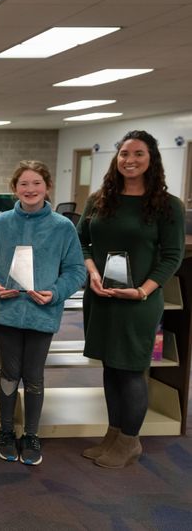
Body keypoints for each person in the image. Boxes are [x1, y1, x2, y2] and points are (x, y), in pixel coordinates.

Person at [77, 130, 185, 468]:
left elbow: (171, 256)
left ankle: (130, 441)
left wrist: (142, 290)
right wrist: (92, 272)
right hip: (102, 296)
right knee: (110, 368)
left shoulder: (169, 206)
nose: (130, 160)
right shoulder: (100, 199)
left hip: (138, 301)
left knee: (132, 370)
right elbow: (81, 241)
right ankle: (113, 434)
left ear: (151, 159)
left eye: (138, 153)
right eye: (124, 153)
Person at [0, 161, 86, 465]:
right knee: (10, 373)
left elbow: (76, 270)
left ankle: (31, 434)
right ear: (14, 188)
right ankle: (5, 431)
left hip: (43, 312)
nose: (30, 189)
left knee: (34, 375)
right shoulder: (0, 223)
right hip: (8, 312)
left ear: (48, 187)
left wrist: (56, 292)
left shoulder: (62, 227)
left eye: (36, 183)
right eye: (24, 184)